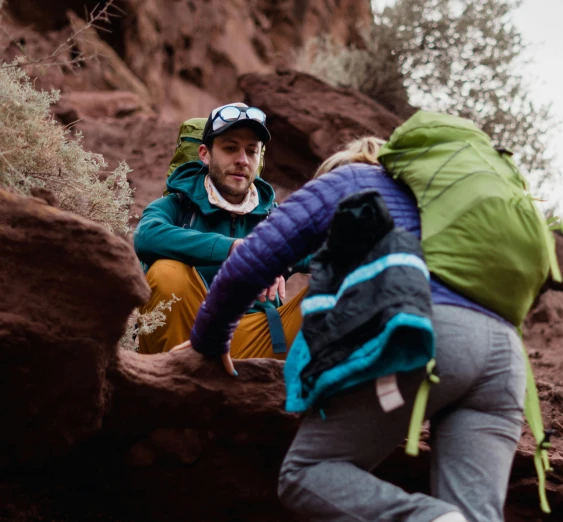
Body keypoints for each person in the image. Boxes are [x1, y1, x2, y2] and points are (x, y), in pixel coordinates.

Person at [172, 136, 526, 522]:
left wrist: (207, 340)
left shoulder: (346, 180)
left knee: (308, 472)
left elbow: (249, 261)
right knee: (476, 515)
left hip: (428, 333)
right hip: (503, 358)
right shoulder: (436, 202)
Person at [134, 102, 308, 360]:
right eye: (230, 148)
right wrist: (235, 249)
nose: (242, 160)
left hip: (258, 341)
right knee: (166, 273)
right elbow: (146, 236)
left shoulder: (276, 218)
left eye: (252, 151)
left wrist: (277, 258)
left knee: (340, 285)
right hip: (187, 338)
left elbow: (327, 252)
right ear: (205, 153)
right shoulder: (178, 206)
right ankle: (173, 387)